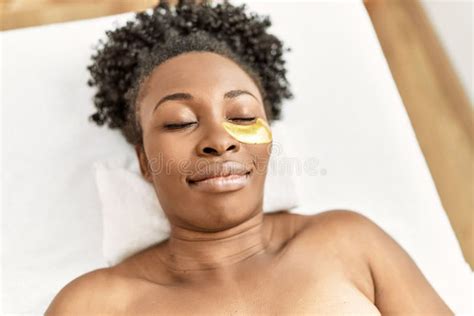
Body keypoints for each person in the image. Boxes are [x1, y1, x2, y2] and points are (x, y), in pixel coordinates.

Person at [46, 0, 453, 314]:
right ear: (145, 162)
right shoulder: (95, 304)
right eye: (179, 122)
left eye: (241, 116)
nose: (219, 141)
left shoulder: (349, 242)